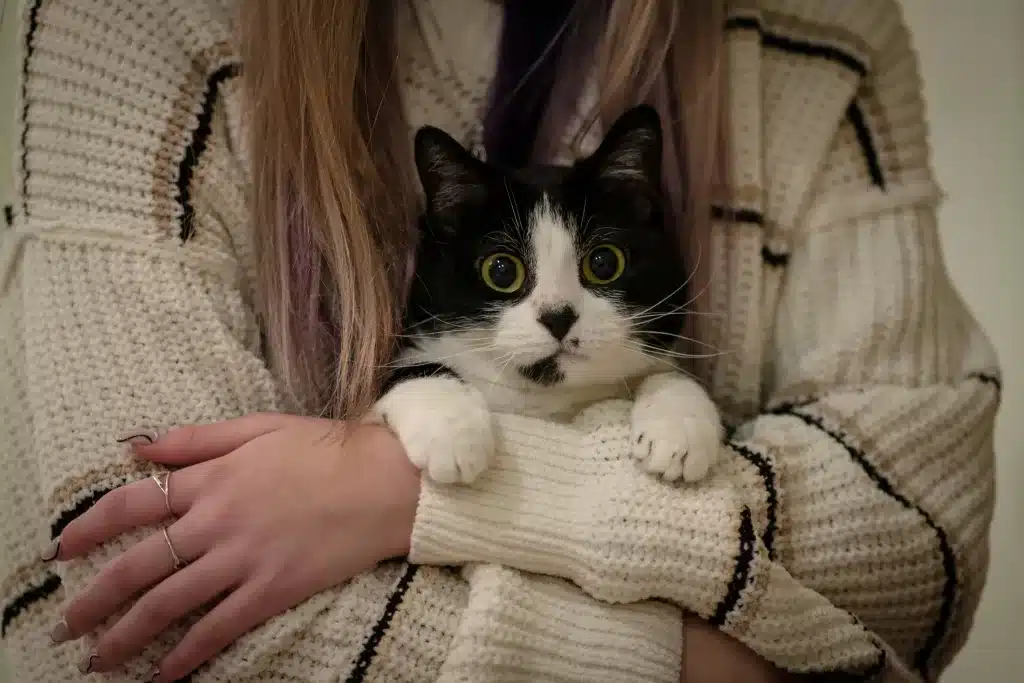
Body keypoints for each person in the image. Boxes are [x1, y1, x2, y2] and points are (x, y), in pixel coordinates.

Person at [0, 0, 1000, 681]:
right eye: (511, 279)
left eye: (596, 272)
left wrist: (400, 494)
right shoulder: (130, 24)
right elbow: (137, 606)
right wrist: (712, 661)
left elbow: (911, 542)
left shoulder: (824, 30)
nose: (558, 307)